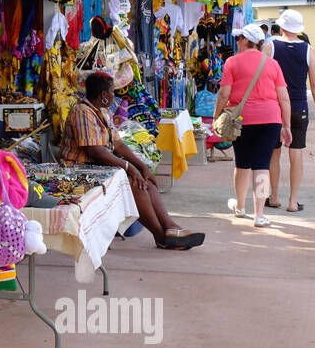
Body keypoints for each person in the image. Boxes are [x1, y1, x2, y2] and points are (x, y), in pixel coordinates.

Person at [58, 72, 205, 250]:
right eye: (112, 91)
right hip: (78, 170)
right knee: (134, 185)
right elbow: (94, 150)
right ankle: (160, 236)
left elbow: (118, 144)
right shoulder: (83, 112)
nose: (115, 95)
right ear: (104, 95)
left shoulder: (103, 112)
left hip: (96, 167)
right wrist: (128, 167)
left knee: (146, 182)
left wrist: (142, 167)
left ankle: (171, 228)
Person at [214, 23, 291, 227]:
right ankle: (259, 215)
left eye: (239, 38)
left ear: (247, 40)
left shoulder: (232, 62)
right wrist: (287, 125)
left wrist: (216, 116)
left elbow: (224, 93)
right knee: (262, 166)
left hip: (242, 119)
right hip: (271, 120)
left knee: (242, 163)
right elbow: (284, 98)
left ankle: (240, 207)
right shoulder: (272, 64)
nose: (237, 41)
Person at [265, 8, 315, 213]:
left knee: (273, 152)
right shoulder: (308, 50)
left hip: (274, 107)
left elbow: (262, 78)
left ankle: (273, 197)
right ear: (298, 29)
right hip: (299, 107)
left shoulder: (270, 47)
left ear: (281, 26)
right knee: (296, 152)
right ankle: (292, 201)